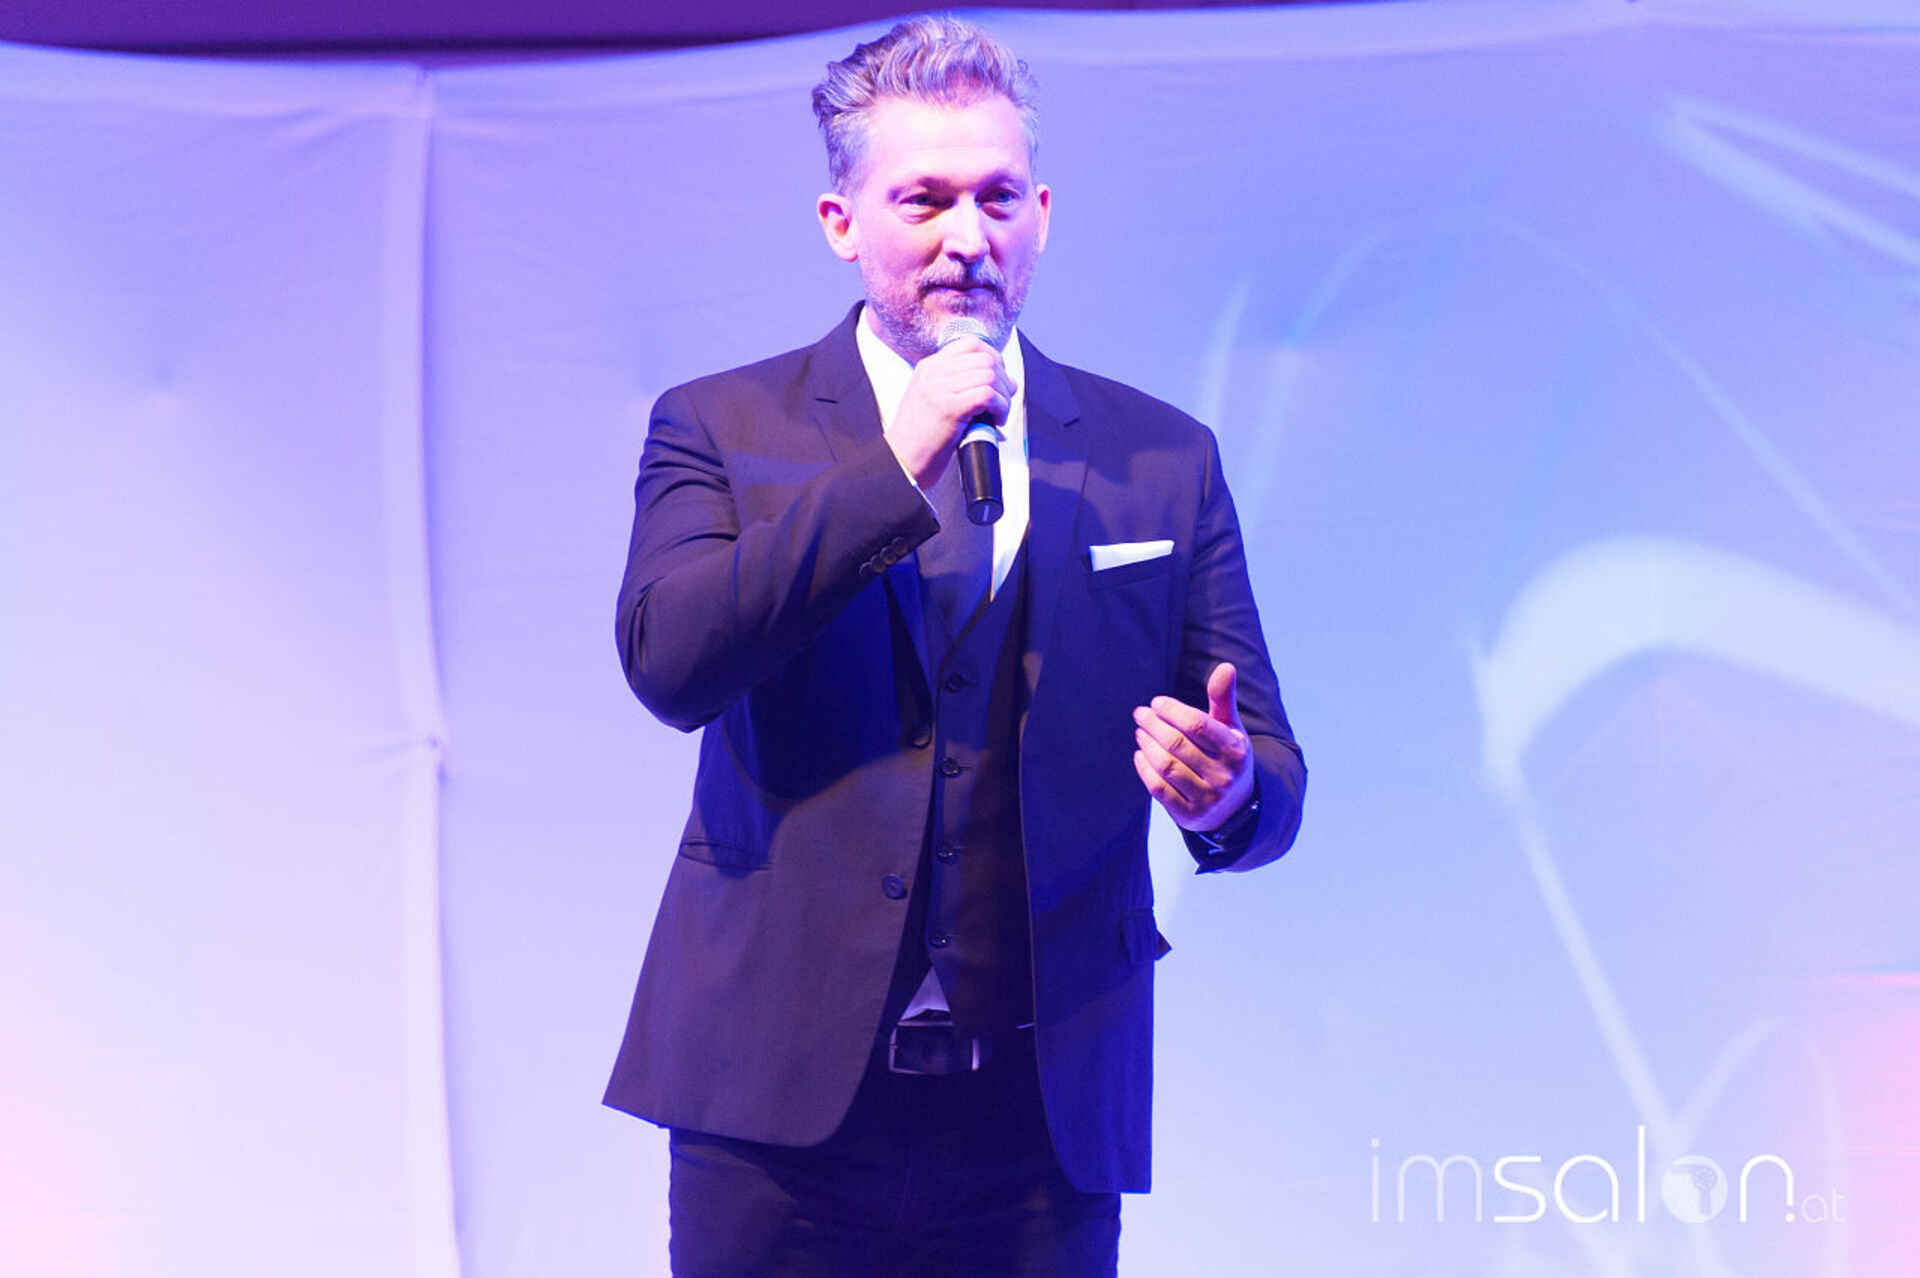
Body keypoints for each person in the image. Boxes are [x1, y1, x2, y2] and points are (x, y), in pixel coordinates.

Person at [606, 15, 1305, 1276]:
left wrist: (1229, 795)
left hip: (1039, 1115)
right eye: (924, 200)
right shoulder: (719, 425)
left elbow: (1269, 774)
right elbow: (672, 664)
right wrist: (897, 463)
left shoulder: (1159, 456)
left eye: (997, 198)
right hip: (773, 1103)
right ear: (843, 221)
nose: (967, 238)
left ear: (1043, 213)